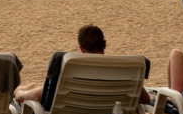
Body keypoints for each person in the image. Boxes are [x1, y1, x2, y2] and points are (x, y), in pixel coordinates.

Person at [13, 24, 151, 106]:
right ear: (104, 44)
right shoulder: (125, 68)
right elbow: (145, 100)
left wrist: (19, 94)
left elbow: (39, 96)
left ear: (81, 49)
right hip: (111, 111)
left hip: (73, 111)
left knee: (29, 92)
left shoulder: (73, 69)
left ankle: (21, 89)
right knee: (33, 86)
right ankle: (26, 88)